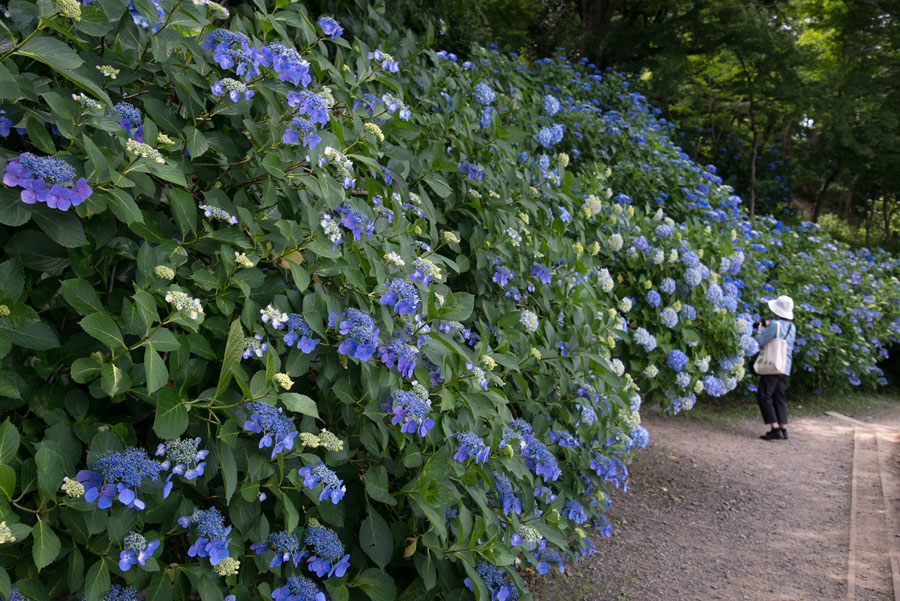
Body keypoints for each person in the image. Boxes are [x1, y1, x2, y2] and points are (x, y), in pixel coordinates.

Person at [754, 295, 796, 441]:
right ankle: (783, 429)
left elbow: (760, 341)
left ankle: (774, 427)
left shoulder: (774, 325)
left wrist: (760, 329)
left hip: (772, 364)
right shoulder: (792, 327)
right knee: (779, 396)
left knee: (764, 395)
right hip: (785, 366)